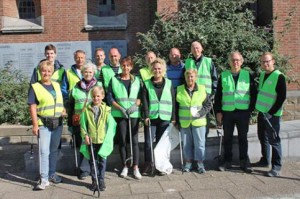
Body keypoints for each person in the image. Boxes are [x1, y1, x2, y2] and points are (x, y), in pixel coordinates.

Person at [214, 51, 256, 173]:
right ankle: (227, 161)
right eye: (233, 60)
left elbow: (254, 94)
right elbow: (218, 96)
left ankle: (244, 161)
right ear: (229, 62)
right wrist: (218, 112)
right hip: (228, 113)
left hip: (243, 112)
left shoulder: (248, 75)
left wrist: (250, 110)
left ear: (241, 61)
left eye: (237, 60)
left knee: (243, 138)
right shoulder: (224, 75)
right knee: (227, 138)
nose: (235, 62)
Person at [28, 60, 65, 190]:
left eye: (49, 71)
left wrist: (63, 110)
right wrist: (34, 125)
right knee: (44, 151)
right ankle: (44, 179)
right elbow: (32, 107)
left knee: (54, 151)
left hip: (58, 123)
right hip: (44, 123)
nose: (46, 73)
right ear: (40, 71)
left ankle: (52, 174)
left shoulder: (56, 85)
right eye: (44, 70)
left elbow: (59, 101)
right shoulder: (35, 87)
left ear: (52, 72)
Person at [107, 56, 142, 179]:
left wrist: (136, 105)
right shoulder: (114, 80)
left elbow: (141, 96)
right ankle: (125, 166)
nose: (125, 67)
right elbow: (109, 98)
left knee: (134, 140)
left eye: (128, 65)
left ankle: (136, 167)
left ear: (131, 67)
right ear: (121, 66)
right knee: (122, 140)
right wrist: (120, 108)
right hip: (120, 114)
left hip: (134, 114)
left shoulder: (137, 80)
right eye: (123, 65)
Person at [253, 52, 286, 177]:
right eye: (263, 62)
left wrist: (271, 113)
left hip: (273, 116)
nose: (265, 63)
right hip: (262, 113)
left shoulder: (279, 76)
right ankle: (265, 160)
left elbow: (282, 97)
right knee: (263, 137)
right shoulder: (262, 75)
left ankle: (276, 167)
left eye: (267, 61)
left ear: (273, 61)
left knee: (274, 140)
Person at [141, 58, 176, 176]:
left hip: (165, 118)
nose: (157, 71)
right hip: (151, 118)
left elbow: (173, 101)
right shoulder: (146, 83)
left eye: (159, 68)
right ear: (151, 70)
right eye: (155, 68)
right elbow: (144, 102)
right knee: (148, 143)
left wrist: (174, 117)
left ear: (163, 70)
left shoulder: (169, 83)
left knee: (162, 144)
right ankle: (149, 165)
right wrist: (145, 116)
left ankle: (161, 166)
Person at [68, 62, 102, 180]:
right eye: (86, 72)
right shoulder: (75, 87)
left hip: (95, 120)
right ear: (82, 73)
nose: (88, 74)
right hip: (79, 121)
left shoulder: (99, 85)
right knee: (82, 145)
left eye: (90, 72)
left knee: (95, 144)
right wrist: (70, 123)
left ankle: (95, 167)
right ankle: (84, 169)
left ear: (94, 73)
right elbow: (71, 106)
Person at [80, 86, 116, 191]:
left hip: (102, 140)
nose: (96, 98)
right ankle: (94, 181)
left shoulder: (107, 110)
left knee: (102, 161)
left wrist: (108, 138)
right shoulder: (86, 110)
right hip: (91, 140)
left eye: (98, 96)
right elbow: (83, 125)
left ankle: (101, 180)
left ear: (103, 96)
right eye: (94, 96)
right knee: (93, 161)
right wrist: (85, 135)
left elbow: (111, 125)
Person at [176, 69, 211, 173]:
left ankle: (200, 164)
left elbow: (208, 105)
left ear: (195, 78)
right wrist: (176, 121)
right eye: (188, 77)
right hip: (185, 122)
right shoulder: (179, 89)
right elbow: (176, 107)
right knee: (186, 144)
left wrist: (200, 113)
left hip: (199, 121)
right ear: (185, 78)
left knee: (200, 144)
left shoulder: (202, 89)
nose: (190, 78)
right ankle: (188, 163)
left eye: (192, 76)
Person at [185, 41, 218, 137]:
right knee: (192, 116)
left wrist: (213, 94)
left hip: (205, 96)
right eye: (194, 48)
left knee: (204, 118)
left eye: (198, 48)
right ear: (191, 50)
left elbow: (214, 78)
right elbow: (185, 79)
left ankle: (204, 137)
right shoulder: (188, 62)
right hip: (192, 94)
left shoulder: (208, 61)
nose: (196, 50)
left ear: (202, 49)